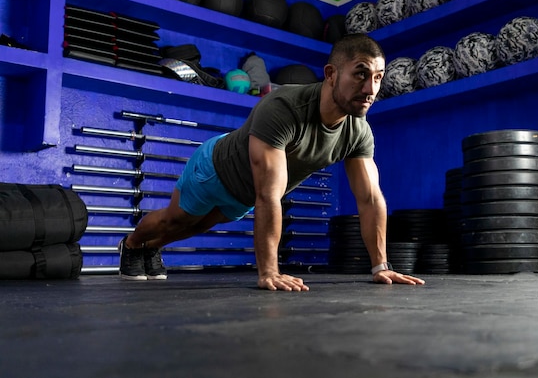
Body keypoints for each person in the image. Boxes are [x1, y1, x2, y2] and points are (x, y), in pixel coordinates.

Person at [119, 33, 426, 291]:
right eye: (360, 74)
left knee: (195, 227)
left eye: (377, 77)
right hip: (214, 169)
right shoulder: (284, 107)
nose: (370, 89)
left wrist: (380, 266)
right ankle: (132, 244)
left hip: (242, 196)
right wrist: (269, 272)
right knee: (176, 219)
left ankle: (152, 246)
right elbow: (269, 194)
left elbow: (370, 200)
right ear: (331, 74)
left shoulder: (357, 132)